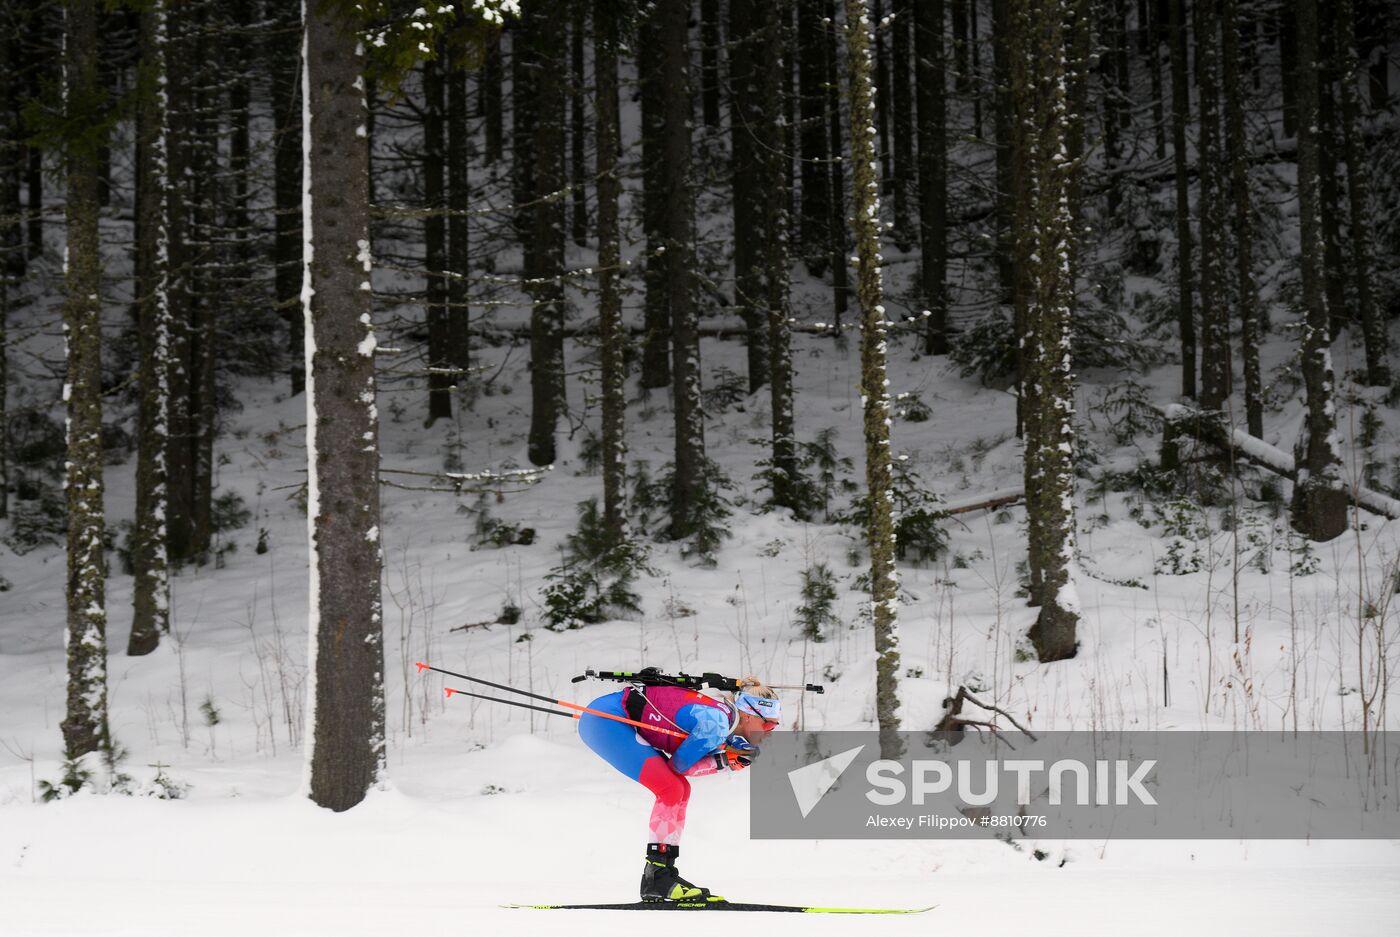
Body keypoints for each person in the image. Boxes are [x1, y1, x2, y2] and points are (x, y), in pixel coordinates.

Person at [577, 676, 781, 902]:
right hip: (606, 721)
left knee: (679, 789)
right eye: (768, 724)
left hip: (615, 719)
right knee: (671, 788)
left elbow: (683, 767)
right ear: (749, 715)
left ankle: (663, 874)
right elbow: (680, 766)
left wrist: (724, 759)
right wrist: (723, 762)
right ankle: (657, 877)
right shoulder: (717, 724)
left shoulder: (723, 721)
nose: (769, 731)